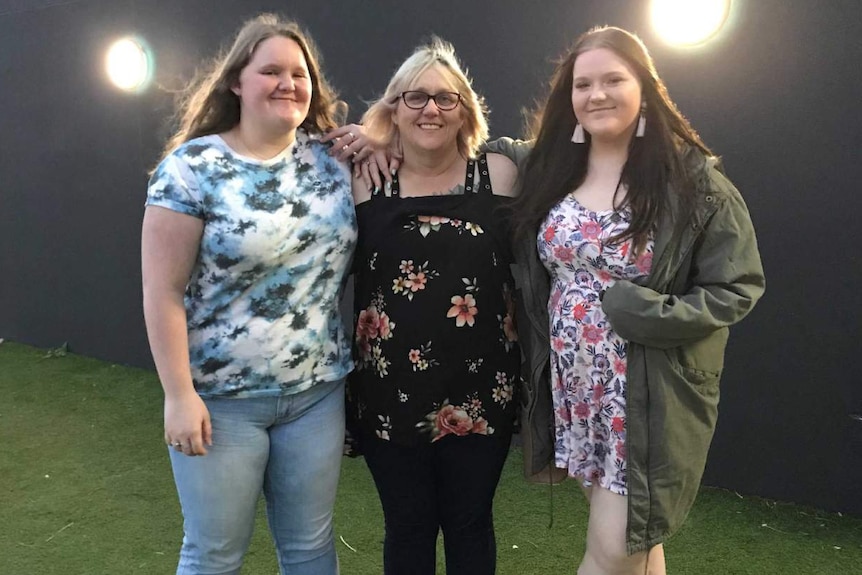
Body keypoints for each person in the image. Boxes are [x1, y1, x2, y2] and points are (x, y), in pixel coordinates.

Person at [488, 26, 765, 575]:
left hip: (645, 395)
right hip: (577, 390)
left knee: (614, 550)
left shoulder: (691, 181)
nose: (596, 95)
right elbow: (484, 147)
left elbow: (737, 287)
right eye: (582, 84)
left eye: (614, 80)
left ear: (646, 88)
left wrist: (650, 314)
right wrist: (376, 136)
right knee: (637, 546)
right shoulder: (551, 167)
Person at [141, 14, 356, 575]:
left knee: (310, 547)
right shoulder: (191, 170)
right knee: (214, 555)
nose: (288, 83)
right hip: (221, 403)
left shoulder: (333, 161)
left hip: (316, 395)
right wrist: (178, 395)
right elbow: (162, 291)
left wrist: (377, 139)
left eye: (299, 73)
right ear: (237, 81)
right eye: (271, 71)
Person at [343, 38, 520, 575]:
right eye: (415, 97)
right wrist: (363, 141)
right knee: (407, 527)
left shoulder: (500, 173)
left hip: (482, 393)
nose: (431, 110)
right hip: (388, 392)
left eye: (447, 99)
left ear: (465, 110)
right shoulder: (364, 181)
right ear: (393, 108)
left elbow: (570, 149)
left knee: (470, 524)